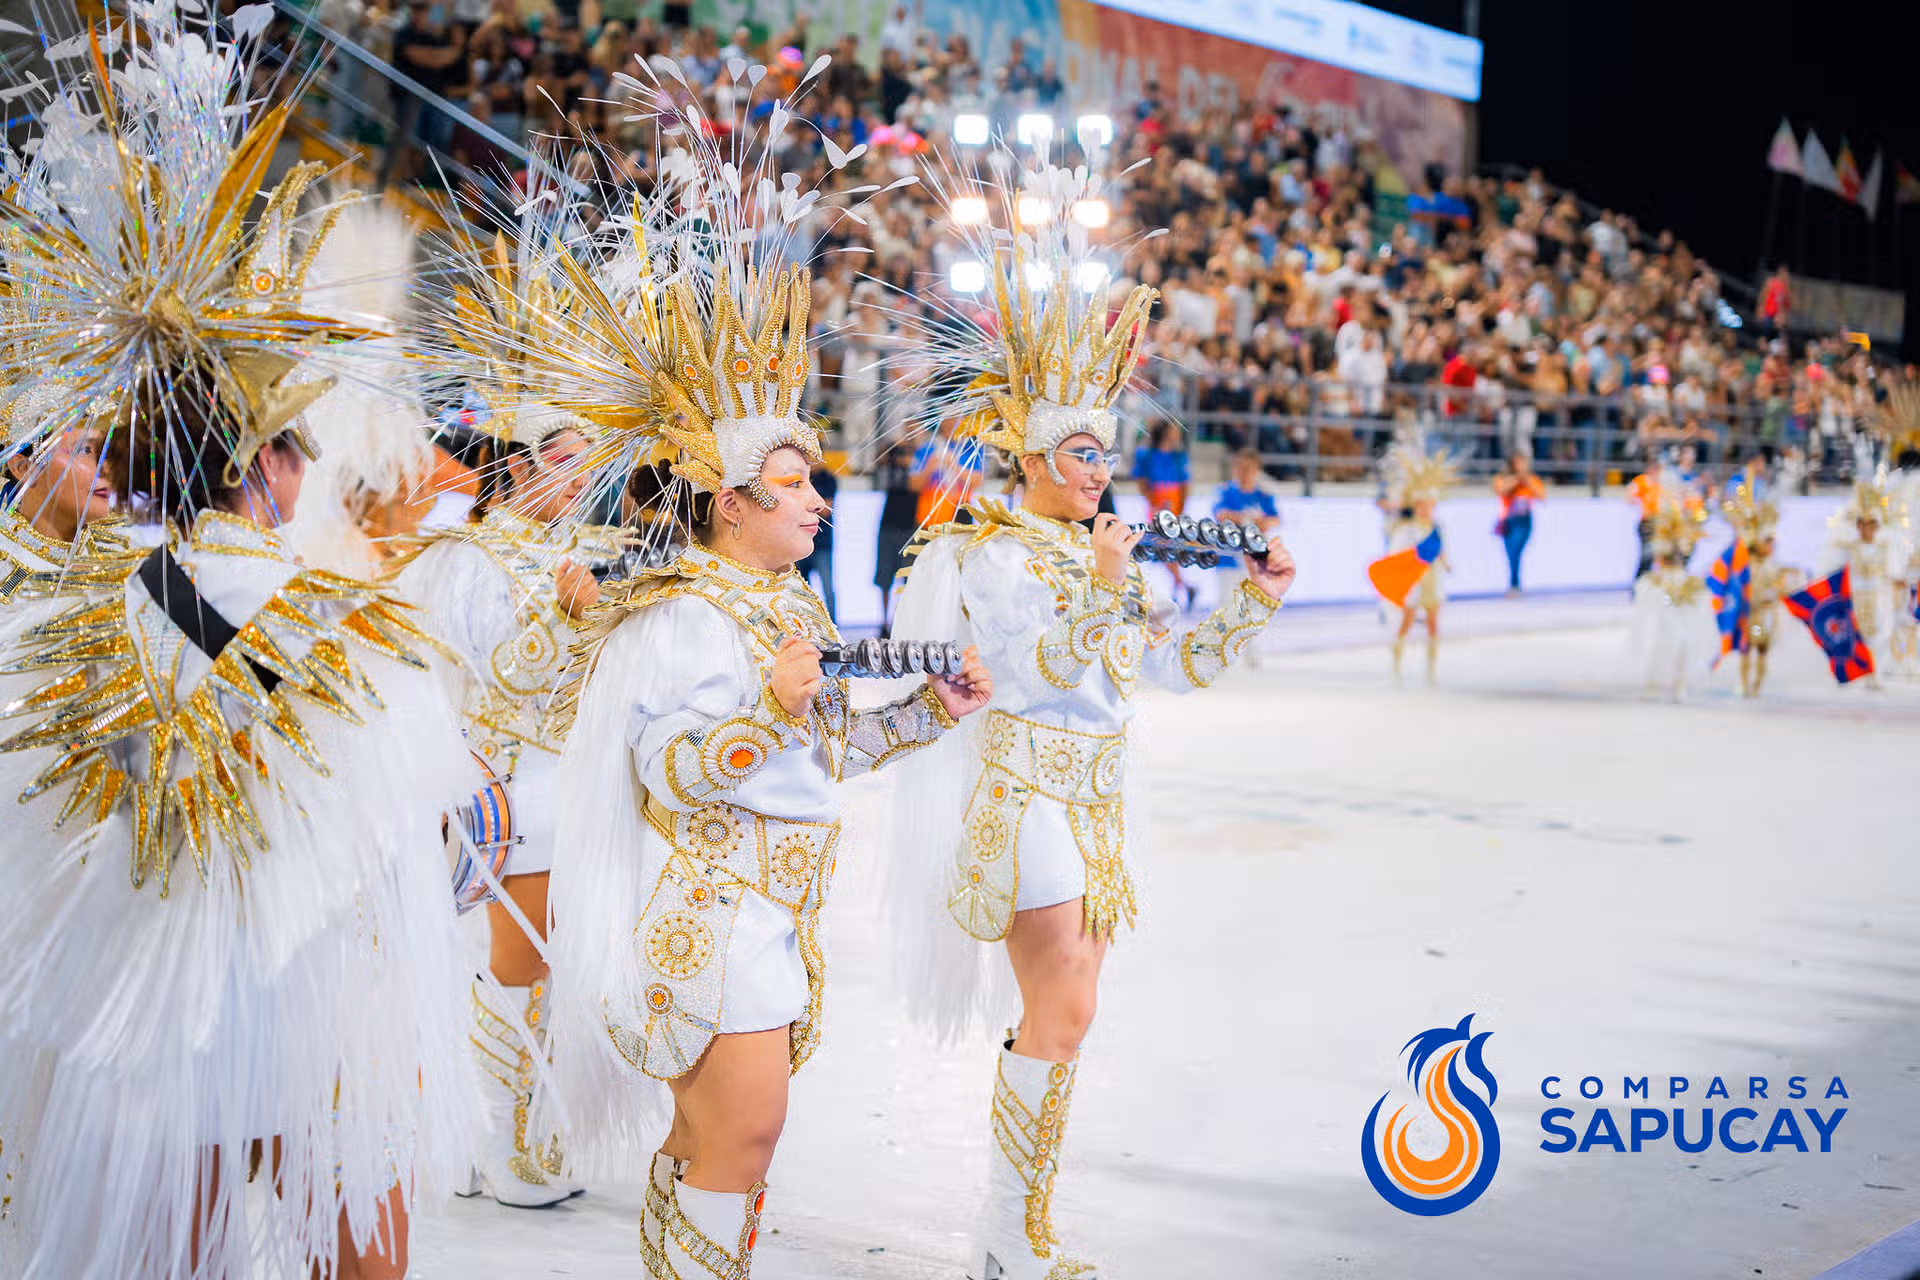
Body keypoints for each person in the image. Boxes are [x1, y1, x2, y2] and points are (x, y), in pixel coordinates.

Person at [0, 15, 473, 1272]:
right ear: (272, 462)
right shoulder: (351, 619)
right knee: (357, 1249)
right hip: (318, 992)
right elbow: (433, 828)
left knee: (169, 1243)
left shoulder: (71, 609)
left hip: (157, 996)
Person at [528, 62, 994, 1279]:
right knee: (740, 1131)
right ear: (729, 501)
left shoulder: (780, 596)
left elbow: (825, 738)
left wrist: (923, 714)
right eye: (789, 483)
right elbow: (670, 770)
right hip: (714, 908)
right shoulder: (683, 611)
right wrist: (761, 708)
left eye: (813, 477)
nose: (815, 496)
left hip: (778, 909)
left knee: (722, 1140)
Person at [882, 150, 1297, 1280]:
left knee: (1072, 1009)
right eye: (1079, 452)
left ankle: (1013, 1226)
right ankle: (1006, 1231)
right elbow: (1032, 664)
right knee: (1059, 1004)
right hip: (1026, 789)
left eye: (1105, 452)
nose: (1099, 469)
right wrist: (1110, 582)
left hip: (1102, 789)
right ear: (1031, 455)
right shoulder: (989, 549)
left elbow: (1165, 668)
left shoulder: (1102, 550)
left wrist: (1251, 605)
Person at [390, 410, 600, 1207]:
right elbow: (504, 678)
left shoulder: (569, 553)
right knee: (519, 965)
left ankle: (512, 1136)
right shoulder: (470, 559)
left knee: (545, 968)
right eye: (565, 462)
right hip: (509, 785)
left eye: (588, 463)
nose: (581, 480)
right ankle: (494, 1140)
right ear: (515, 467)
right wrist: (563, 612)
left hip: (565, 776)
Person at [1381, 434, 1457, 684]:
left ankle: (1431, 669)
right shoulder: (1408, 528)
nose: (1426, 509)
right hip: (1415, 579)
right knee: (1407, 621)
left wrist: (1445, 563)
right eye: (1422, 505)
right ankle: (1396, 665)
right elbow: (1400, 553)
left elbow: (1440, 549)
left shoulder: (1436, 525)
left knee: (1434, 623)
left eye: (1430, 505)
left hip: (1432, 578)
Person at [1491, 451, 1545, 594]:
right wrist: (1516, 479)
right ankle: (1514, 582)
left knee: (1516, 550)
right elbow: (1499, 490)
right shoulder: (1504, 478)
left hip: (1524, 520)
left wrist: (1525, 480)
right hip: (1509, 520)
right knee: (1510, 552)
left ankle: (1514, 583)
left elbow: (1541, 496)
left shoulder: (1531, 479)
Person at [795, 457, 839, 620]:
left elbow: (826, 509)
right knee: (802, 590)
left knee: (828, 588)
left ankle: (834, 628)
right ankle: (807, 625)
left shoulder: (828, 478)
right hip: (801, 542)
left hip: (823, 544)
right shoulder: (799, 479)